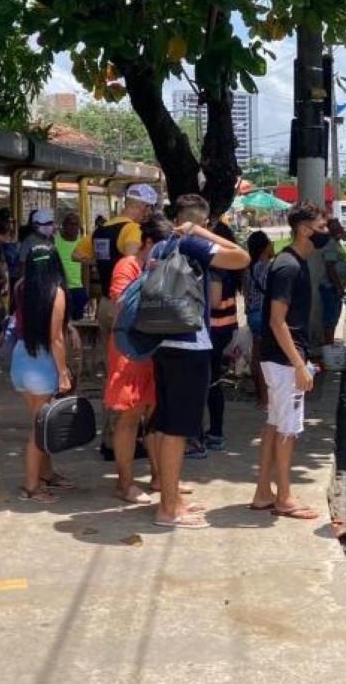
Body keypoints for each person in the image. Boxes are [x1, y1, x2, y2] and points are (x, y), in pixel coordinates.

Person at [149, 194, 249, 529]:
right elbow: (242, 257)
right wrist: (204, 234)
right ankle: (167, 509)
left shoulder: (160, 247)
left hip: (161, 342)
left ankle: (171, 497)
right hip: (188, 345)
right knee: (177, 431)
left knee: (164, 425)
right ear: (201, 221)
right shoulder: (193, 245)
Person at [250, 202, 327, 520]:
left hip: (280, 358)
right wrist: (299, 364)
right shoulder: (288, 266)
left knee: (274, 425)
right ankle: (284, 497)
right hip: (284, 360)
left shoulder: (291, 262)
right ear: (304, 229)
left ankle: (263, 493)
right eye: (321, 227)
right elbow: (276, 321)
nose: (326, 233)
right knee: (288, 431)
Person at [104, 216, 172, 504]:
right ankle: (125, 482)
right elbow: (121, 305)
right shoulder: (127, 266)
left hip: (151, 348)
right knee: (130, 416)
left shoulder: (156, 267)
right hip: (129, 350)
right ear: (147, 243)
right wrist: (151, 278)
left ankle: (160, 477)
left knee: (153, 415)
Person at [10, 246, 75, 503]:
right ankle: (32, 486)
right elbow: (56, 338)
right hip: (42, 361)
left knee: (41, 423)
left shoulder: (22, 287)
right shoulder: (55, 292)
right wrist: (63, 372)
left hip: (22, 357)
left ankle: (45, 473)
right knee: (39, 429)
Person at [72, 185, 157, 360]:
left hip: (104, 304)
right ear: (143, 207)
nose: (150, 214)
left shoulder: (101, 230)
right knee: (129, 362)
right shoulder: (133, 229)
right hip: (125, 304)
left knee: (111, 359)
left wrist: (101, 261)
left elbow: (77, 254)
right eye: (150, 208)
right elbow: (133, 261)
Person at [201, 219, 241, 455]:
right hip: (224, 329)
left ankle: (212, 434)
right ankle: (215, 432)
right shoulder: (231, 265)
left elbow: (214, 301)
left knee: (208, 384)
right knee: (213, 382)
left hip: (214, 330)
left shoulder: (216, 267)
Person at [244, 230, 274, 409]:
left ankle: (260, 397)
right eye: (270, 242)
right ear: (264, 247)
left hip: (252, 314)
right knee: (265, 358)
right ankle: (264, 400)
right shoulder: (268, 267)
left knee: (256, 356)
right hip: (264, 314)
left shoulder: (248, 267)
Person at [319, 218, 346, 345]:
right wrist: (338, 287)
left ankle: (330, 345)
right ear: (332, 230)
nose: (341, 228)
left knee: (333, 319)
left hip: (334, 288)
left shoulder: (336, 243)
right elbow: (330, 268)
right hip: (330, 288)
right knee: (330, 320)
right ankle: (329, 347)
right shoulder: (331, 244)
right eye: (338, 227)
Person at [54, 211, 89, 321]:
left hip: (77, 289)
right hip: (59, 287)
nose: (73, 227)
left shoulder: (82, 242)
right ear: (64, 226)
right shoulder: (54, 240)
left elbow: (85, 268)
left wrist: (86, 290)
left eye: (76, 224)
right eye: (70, 224)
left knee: (78, 322)